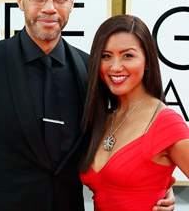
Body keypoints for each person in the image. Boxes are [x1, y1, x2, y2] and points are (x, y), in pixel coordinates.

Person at [0, 0, 175, 210]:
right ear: (21, 0)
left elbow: (126, 128)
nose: (49, 8)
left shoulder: (91, 69)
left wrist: (160, 185)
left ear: (71, 3)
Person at [79, 14, 189, 211]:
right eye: (106, 56)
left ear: (147, 61)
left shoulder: (166, 123)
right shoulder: (103, 119)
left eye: (127, 55)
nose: (115, 66)